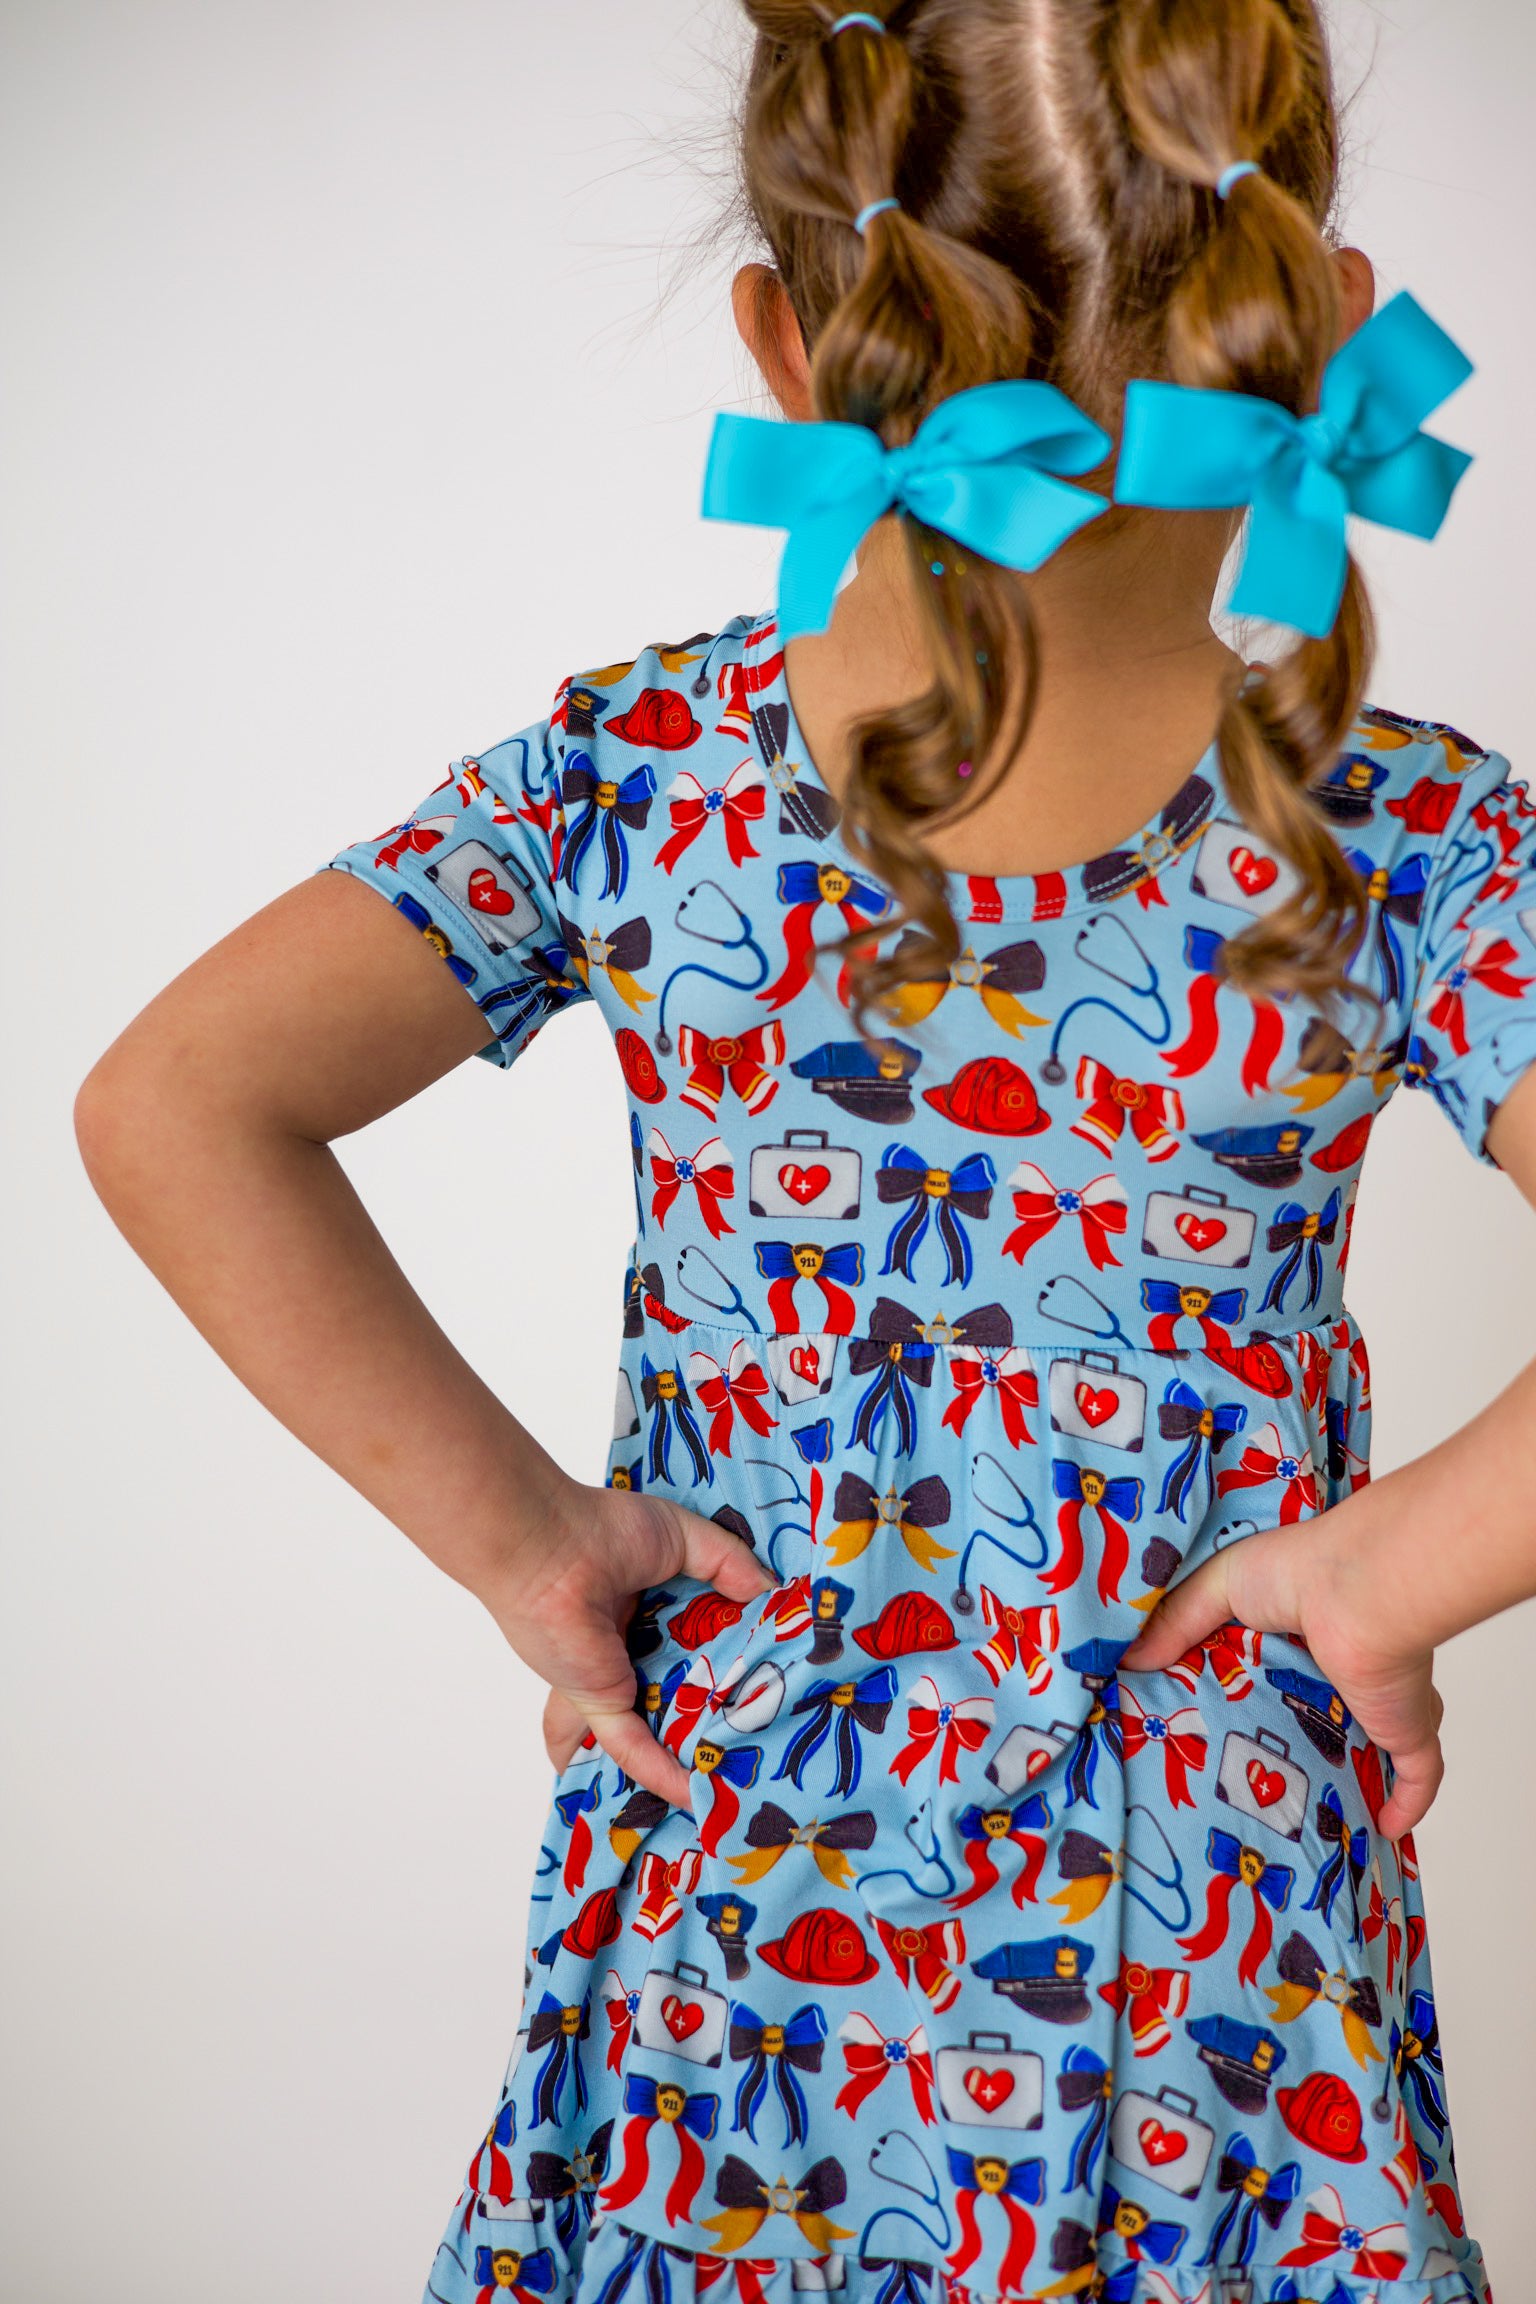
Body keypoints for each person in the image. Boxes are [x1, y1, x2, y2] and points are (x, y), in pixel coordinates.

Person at [73, 1, 1530, 2296]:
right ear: (1326, 318)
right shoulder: (1407, 838)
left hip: (735, 1915)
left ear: (785, 338)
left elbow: (172, 1103)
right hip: (1217, 1953)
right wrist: (1385, 1579)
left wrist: (526, 1547)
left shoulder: (639, 783)